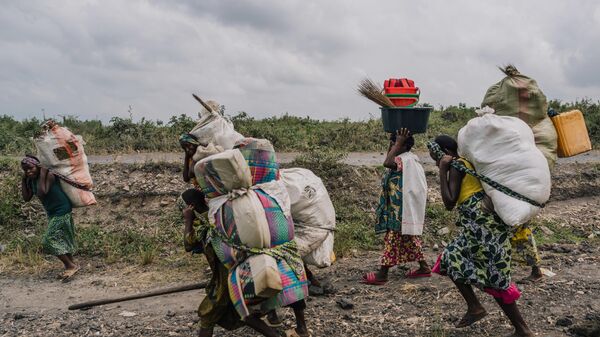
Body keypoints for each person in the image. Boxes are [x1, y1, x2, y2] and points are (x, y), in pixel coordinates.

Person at [428, 135, 533, 337]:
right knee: (453, 259)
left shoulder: (457, 166)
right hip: (480, 228)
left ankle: (520, 328)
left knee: (491, 275)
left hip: (482, 229)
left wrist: (442, 170)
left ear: (446, 153)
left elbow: (449, 202)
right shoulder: (464, 164)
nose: (433, 158)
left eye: (435, 154)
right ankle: (478, 309)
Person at [178, 189, 310, 337]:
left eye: (183, 208)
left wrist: (188, 220)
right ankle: (298, 328)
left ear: (192, 206)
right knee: (278, 292)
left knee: (212, 313)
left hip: (228, 275)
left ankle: (275, 334)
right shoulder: (221, 212)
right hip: (256, 260)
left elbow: (188, 245)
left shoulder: (206, 224)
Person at [362, 128, 430, 285]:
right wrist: (395, 143)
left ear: (402, 146)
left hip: (400, 209)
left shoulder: (404, 160)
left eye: (395, 144)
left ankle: (382, 274)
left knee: (394, 237)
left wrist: (398, 142)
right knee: (409, 236)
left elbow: (386, 162)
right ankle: (424, 267)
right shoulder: (407, 158)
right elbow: (388, 158)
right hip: (400, 206)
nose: (392, 146)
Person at [21, 155, 79, 281]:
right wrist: (23, 179)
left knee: (48, 240)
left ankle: (70, 265)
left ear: (37, 166)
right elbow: (26, 197)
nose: (29, 171)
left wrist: (43, 171)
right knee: (61, 237)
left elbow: (42, 192)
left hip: (62, 210)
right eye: (25, 170)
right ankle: (71, 266)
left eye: (31, 168)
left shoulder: (49, 176)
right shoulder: (31, 180)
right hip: (52, 212)